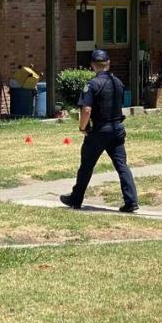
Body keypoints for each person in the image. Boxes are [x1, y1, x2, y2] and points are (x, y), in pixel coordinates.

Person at [60, 49, 139, 212]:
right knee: (121, 165)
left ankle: (76, 198)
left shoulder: (92, 84)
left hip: (99, 131)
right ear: (108, 63)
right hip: (117, 128)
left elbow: (86, 110)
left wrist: (82, 127)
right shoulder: (118, 82)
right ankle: (131, 201)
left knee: (86, 166)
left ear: (92, 65)